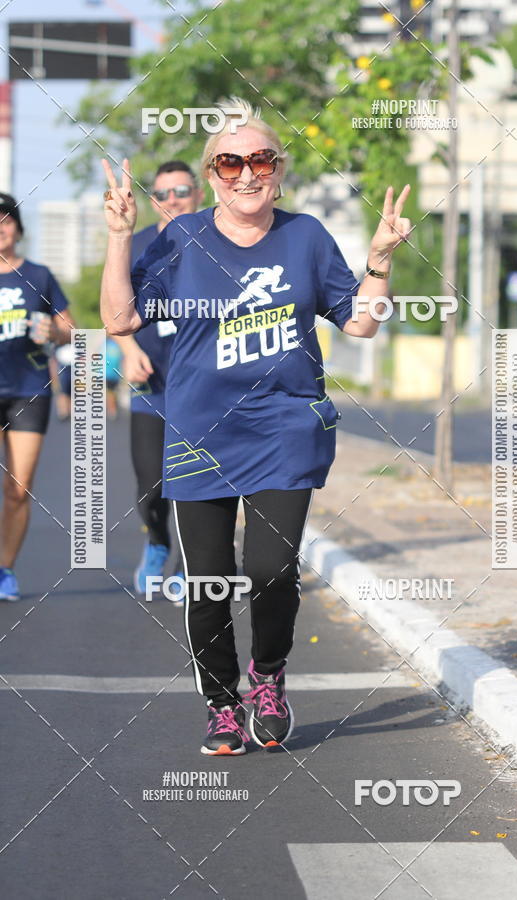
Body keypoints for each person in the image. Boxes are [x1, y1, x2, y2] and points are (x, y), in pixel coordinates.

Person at [100, 97, 411, 756]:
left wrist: (380, 257)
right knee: (209, 578)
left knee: (271, 570)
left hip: (283, 428)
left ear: (280, 168)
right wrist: (120, 236)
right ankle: (220, 703)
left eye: (260, 159)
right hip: (199, 432)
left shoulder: (305, 237)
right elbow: (122, 320)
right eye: (231, 162)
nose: (247, 173)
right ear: (213, 173)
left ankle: (267, 676)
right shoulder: (180, 240)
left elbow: (359, 321)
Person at [112, 161, 203, 597]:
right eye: (164, 193)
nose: (173, 200)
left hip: (205, 390)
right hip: (152, 387)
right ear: (153, 201)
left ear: (199, 193)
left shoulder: (220, 240)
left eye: (182, 190)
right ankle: (156, 542)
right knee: (151, 484)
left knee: (198, 484)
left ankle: (190, 564)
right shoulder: (141, 243)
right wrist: (128, 350)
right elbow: (111, 306)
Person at [0, 192, 75, 601]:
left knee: (17, 488)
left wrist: (56, 332)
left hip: (28, 391)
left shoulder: (39, 275)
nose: (0, 227)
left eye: (6, 219)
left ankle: (5, 569)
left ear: (18, 227)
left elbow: (71, 328)